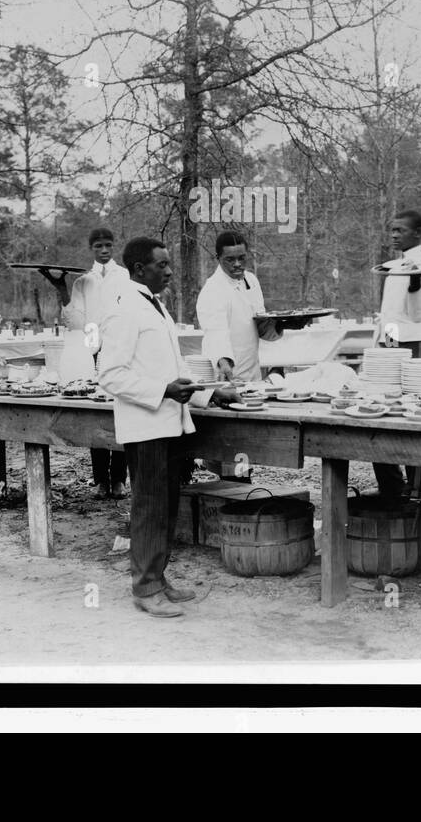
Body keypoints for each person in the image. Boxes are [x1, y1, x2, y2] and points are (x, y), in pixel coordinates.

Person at [98, 237, 236, 618]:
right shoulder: (124, 309)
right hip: (145, 427)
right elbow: (109, 375)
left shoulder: (155, 306)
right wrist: (162, 391)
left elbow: (172, 372)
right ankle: (144, 587)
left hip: (169, 423)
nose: (170, 271)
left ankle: (158, 579)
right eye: (162, 265)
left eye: (169, 264)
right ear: (139, 269)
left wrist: (208, 396)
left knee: (166, 507)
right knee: (149, 508)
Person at [42, 227, 130, 497]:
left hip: (119, 348)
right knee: (97, 413)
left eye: (108, 245)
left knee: (120, 412)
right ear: (91, 249)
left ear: (114, 246)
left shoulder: (124, 276)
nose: (104, 250)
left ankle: (119, 480)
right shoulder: (83, 281)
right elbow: (76, 321)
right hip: (92, 349)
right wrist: (62, 290)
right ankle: (101, 481)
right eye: (98, 246)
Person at [373, 210, 421, 498]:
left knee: (416, 418)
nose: (394, 235)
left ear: (418, 233)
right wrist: (383, 346)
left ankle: (416, 491)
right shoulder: (393, 265)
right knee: (383, 412)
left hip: (420, 344)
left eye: (400, 230)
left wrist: (415, 283)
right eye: (392, 230)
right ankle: (391, 488)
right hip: (392, 341)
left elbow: (417, 315)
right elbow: (390, 316)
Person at [195, 231, 283, 384]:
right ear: (218, 258)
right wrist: (223, 361)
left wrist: (284, 324)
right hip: (226, 374)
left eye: (241, 258)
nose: (237, 264)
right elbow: (215, 332)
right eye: (230, 259)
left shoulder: (252, 280)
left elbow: (260, 325)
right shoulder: (212, 290)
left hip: (253, 373)